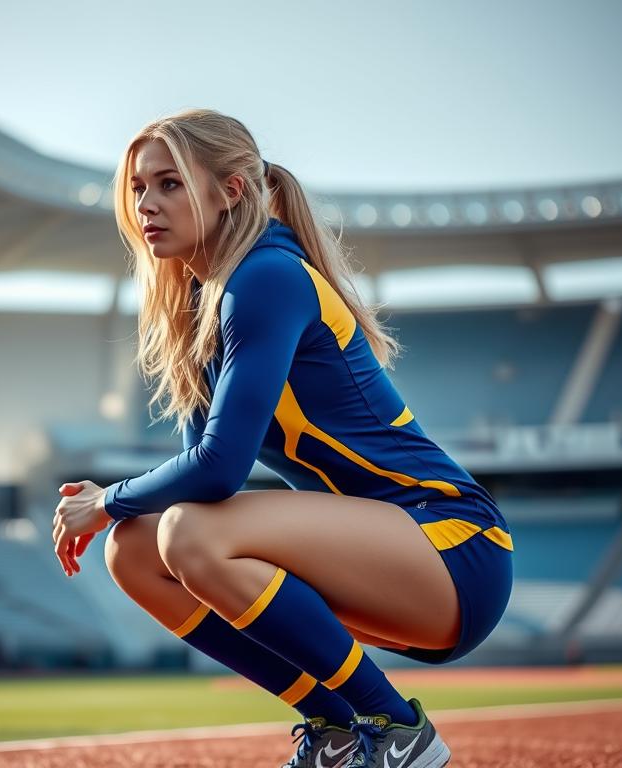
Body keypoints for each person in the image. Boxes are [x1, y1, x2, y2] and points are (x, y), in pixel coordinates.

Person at [52, 108, 514, 768]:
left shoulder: (266, 277)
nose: (147, 203)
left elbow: (218, 472)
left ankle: (397, 726)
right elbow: (201, 471)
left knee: (182, 530)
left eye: (170, 183)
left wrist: (105, 499)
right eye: (137, 188)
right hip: (385, 563)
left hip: (453, 549)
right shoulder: (204, 301)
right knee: (132, 550)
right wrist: (117, 511)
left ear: (229, 191)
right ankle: (332, 729)